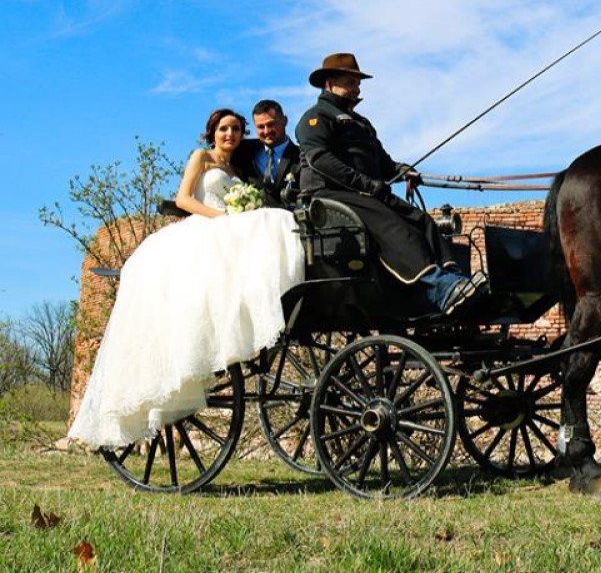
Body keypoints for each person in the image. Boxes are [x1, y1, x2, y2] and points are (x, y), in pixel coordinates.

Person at [68, 109, 305, 449]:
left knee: (271, 225)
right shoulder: (202, 158)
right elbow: (184, 199)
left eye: (237, 129)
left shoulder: (238, 168)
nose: (231, 134)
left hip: (228, 231)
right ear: (213, 132)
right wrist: (222, 217)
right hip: (203, 230)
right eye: (224, 129)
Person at [295, 52, 486, 315]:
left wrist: (402, 170)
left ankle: (453, 281)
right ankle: (439, 286)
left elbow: (383, 163)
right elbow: (320, 161)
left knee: (422, 220)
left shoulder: (362, 123)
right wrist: (365, 184)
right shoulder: (315, 118)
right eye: (351, 82)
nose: (357, 88)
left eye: (357, 83)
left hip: (367, 193)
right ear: (329, 84)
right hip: (331, 195)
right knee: (392, 224)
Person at [232, 99, 301, 208]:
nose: (266, 131)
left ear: (285, 120)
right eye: (260, 127)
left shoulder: (302, 156)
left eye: (271, 124)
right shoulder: (243, 150)